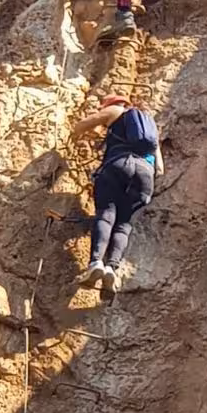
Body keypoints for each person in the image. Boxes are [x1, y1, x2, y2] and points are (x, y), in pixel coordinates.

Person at [72, 94, 162, 291]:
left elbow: (80, 126)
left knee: (106, 213)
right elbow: (160, 169)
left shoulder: (117, 110)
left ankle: (96, 262)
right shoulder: (151, 129)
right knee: (124, 224)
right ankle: (112, 268)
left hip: (120, 164)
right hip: (146, 177)